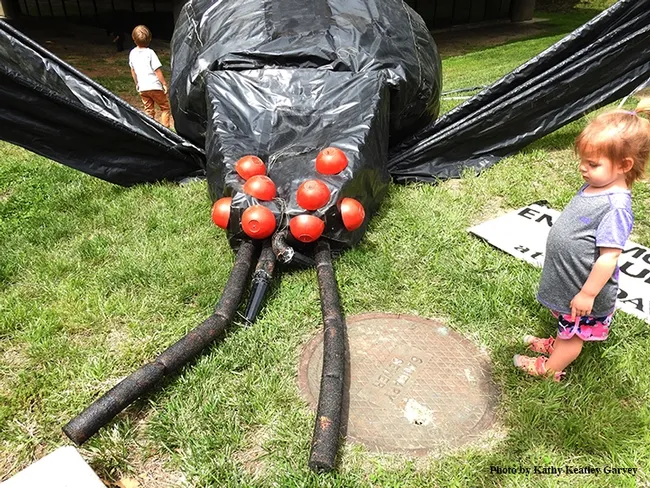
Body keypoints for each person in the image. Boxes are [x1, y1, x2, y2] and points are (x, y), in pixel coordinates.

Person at [514, 108, 650, 381]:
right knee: (567, 324)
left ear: (624, 165)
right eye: (583, 161)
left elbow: (608, 258)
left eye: (593, 164)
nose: (582, 168)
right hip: (570, 280)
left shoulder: (616, 207)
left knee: (574, 334)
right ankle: (557, 347)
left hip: (584, 287)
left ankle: (550, 369)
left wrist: (587, 294)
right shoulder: (596, 186)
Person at [129, 25, 171, 128]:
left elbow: (133, 70)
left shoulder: (132, 53)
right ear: (150, 39)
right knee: (164, 108)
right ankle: (165, 130)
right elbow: (157, 70)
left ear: (133, 39)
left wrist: (137, 83)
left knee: (149, 110)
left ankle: (150, 129)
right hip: (155, 86)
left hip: (143, 87)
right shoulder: (150, 53)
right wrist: (164, 84)